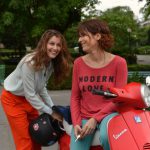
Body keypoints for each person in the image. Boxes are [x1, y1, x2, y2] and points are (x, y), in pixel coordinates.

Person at [0, 29, 72, 150]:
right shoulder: (30, 63)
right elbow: (30, 94)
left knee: (37, 136)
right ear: (44, 44)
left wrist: (53, 108)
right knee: (25, 141)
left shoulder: (50, 64)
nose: (55, 48)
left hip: (29, 100)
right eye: (52, 43)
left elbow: (42, 88)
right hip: (12, 100)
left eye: (58, 45)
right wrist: (50, 112)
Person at [70, 18, 128, 150]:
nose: (79, 40)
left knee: (108, 137)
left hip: (109, 114)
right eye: (79, 36)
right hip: (84, 115)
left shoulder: (119, 63)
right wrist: (76, 123)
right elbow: (75, 97)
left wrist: (95, 119)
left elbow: (119, 99)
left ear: (97, 36)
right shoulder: (78, 63)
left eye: (84, 35)